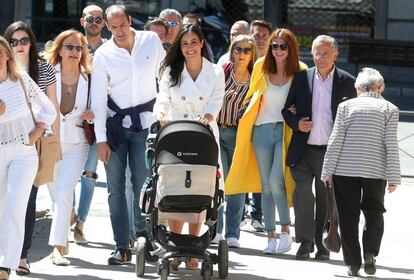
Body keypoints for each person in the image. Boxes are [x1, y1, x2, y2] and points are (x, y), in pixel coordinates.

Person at [91, 4, 165, 265]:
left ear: (130, 21)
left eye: (123, 25)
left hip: (146, 123)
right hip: (115, 126)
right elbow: (98, 101)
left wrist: (165, 113)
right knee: (115, 189)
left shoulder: (151, 41)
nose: (119, 31)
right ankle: (121, 245)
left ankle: (146, 240)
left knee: (144, 185)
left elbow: (164, 77)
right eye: (113, 27)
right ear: (107, 28)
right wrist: (101, 140)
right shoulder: (102, 55)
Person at [226, 28, 306, 254]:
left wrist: (297, 109)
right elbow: (252, 95)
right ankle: (270, 237)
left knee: (276, 182)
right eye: (275, 46)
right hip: (260, 130)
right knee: (265, 186)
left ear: (291, 48)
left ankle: (285, 231)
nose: (279, 51)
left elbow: (304, 101)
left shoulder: (300, 71)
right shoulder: (261, 65)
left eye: (283, 46)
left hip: (284, 130)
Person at [154, 23, 225, 269]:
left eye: (194, 42)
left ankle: (195, 249)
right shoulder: (170, 70)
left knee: (201, 188)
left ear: (202, 43)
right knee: (176, 187)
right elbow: (162, 96)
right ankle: (174, 245)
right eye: (184, 43)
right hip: (176, 133)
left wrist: (207, 117)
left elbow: (215, 102)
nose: (189, 47)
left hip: (203, 134)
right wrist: (161, 114)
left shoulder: (215, 72)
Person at [282, 35, 357, 260]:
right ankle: (305, 243)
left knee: (326, 199)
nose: (320, 57)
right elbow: (287, 110)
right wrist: (297, 123)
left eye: (325, 53)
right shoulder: (301, 78)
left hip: (330, 152)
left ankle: (322, 242)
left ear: (336, 55)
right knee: (303, 194)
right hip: (303, 150)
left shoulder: (347, 81)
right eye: (316, 52)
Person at [321, 67, 400, 276]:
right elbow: (391, 144)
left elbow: (335, 140)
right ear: (380, 87)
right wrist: (394, 176)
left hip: (345, 170)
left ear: (358, 88)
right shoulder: (390, 108)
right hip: (376, 171)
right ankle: (370, 253)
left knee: (348, 215)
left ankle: (353, 263)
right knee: (374, 212)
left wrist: (327, 170)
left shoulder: (346, 106)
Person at [3, 21, 60, 276]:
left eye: (23, 41)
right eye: (14, 41)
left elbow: (49, 109)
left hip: (24, 152)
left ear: (5, 55)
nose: (19, 46)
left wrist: (37, 133)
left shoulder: (24, 79)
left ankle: (9, 262)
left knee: (17, 205)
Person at [44, 29, 93, 266]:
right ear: (60, 50)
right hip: (51, 141)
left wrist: (92, 114)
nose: (74, 51)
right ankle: (69, 218)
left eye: (79, 48)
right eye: (70, 47)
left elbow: (100, 108)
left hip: (77, 144)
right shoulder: (47, 74)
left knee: (64, 192)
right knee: (57, 196)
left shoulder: (90, 78)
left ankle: (57, 246)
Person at [71, 3, 107, 245]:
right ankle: (69, 214)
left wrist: (99, 112)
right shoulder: (73, 46)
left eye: (98, 19)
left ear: (103, 22)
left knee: (90, 173)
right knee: (69, 172)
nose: (94, 22)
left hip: (100, 121)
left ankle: (80, 223)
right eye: (89, 19)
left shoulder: (109, 49)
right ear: (82, 21)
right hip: (73, 119)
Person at [216, 34, 257, 247]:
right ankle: (215, 230)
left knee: (237, 184)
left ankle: (232, 234)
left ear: (252, 54)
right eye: (237, 49)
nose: (241, 54)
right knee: (218, 181)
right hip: (217, 130)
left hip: (240, 135)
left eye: (246, 50)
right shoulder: (221, 72)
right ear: (232, 51)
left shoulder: (256, 79)